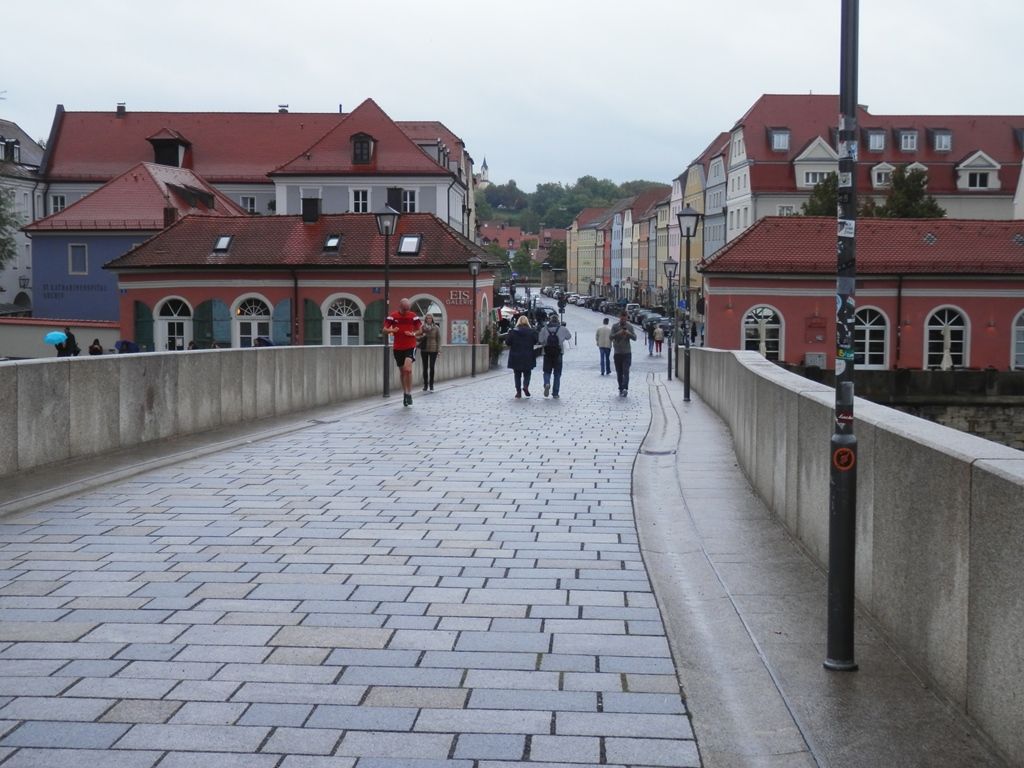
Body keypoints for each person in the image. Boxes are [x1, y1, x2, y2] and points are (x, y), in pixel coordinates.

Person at [383, 297, 423, 406]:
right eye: (404, 309)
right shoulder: (392, 316)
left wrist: (413, 334)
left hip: (410, 345)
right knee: (402, 371)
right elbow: (384, 330)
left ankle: (409, 393)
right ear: (400, 307)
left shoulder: (413, 316)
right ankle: (405, 392)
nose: (406, 312)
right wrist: (392, 330)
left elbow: (420, 330)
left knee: (408, 369)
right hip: (398, 347)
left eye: (408, 309)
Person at [505, 314, 538, 398]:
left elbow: (507, 342)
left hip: (515, 356)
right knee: (527, 373)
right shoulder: (532, 332)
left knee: (517, 374)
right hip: (528, 356)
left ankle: (518, 392)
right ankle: (526, 386)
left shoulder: (513, 331)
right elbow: (536, 341)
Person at [538, 316, 572, 398]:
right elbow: (569, 337)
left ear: (549, 320)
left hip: (547, 352)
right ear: (558, 321)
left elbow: (540, 340)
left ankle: (547, 383)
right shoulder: (562, 328)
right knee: (557, 374)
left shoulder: (544, 329)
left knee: (546, 371)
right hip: (558, 352)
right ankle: (555, 393)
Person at [610, 312, 636, 397]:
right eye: (622, 319)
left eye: (625, 319)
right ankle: (620, 388)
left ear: (627, 318)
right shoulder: (615, 326)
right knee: (619, 372)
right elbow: (611, 337)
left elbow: (635, 338)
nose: (623, 320)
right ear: (619, 317)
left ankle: (625, 388)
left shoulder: (630, 327)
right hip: (617, 352)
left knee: (626, 371)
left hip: (627, 352)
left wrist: (628, 333)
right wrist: (619, 333)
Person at [418, 314, 441, 392]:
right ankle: (425, 385)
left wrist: (439, 351)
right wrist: (423, 336)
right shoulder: (422, 327)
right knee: (425, 367)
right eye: (427, 318)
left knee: (431, 367)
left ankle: (431, 385)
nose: (429, 319)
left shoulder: (436, 328)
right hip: (424, 349)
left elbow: (439, 339)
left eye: (430, 318)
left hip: (433, 349)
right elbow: (418, 338)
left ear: (432, 319)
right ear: (425, 319)